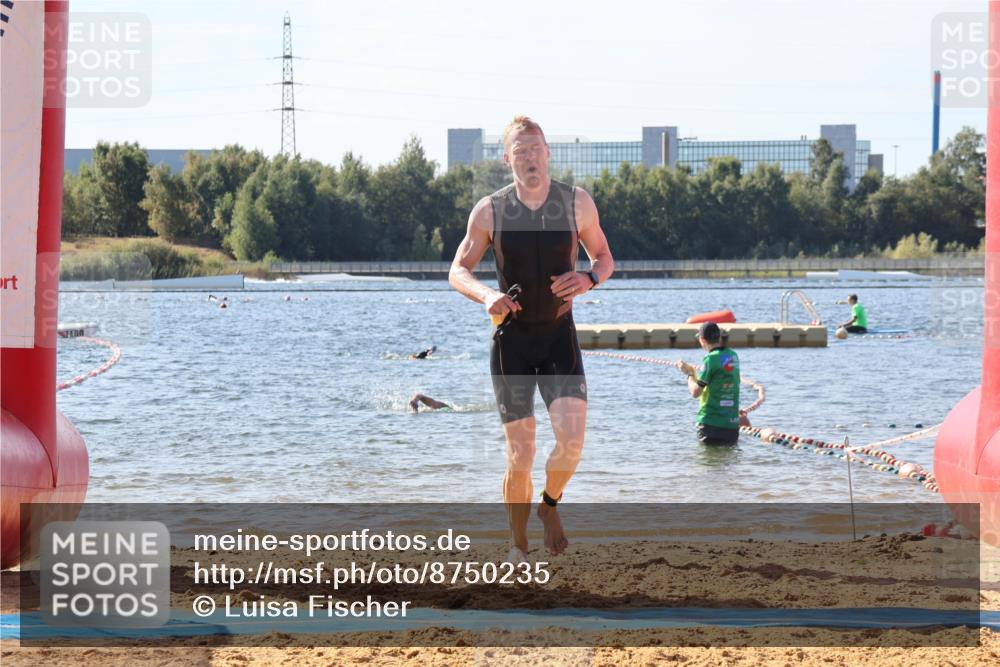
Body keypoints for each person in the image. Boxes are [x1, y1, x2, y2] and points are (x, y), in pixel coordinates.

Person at [448, 115, 614, 561]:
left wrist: (588, 280)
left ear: (548, 152)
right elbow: (457, 269)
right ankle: (517, 549)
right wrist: (486, 295)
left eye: (536, 148)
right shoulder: (491, 210)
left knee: (573, 442)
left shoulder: (577, 203)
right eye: (520, 150)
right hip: (512, 343)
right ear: (508, 159)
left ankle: (549, 506)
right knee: (521, 454)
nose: (530, 156)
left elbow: (603, 257)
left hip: (559, 337)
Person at [678, 322, 742, 446]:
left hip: (710, 423)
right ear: (718, 337)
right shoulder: (733, 356)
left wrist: (690, 374)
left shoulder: (710, 359)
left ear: (702, 339)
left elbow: (695, 392)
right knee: (727, 462)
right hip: (731, 424)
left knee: (708, 462)